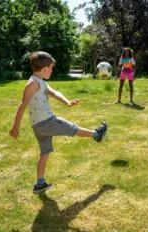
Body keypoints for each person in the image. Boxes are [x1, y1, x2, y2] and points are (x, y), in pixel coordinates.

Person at [9, 51, 108, 193]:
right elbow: (22, 104)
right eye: (51, 68)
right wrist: (15, 127)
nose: (52, 70)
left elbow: (54, 93)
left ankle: (40, 184)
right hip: (46, 122)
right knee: (71, 127)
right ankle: (96, 134)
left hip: (39, 126)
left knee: (44, 153)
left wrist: (67, 102)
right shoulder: (32, 84)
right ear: (44, 69)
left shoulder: (41, 82)